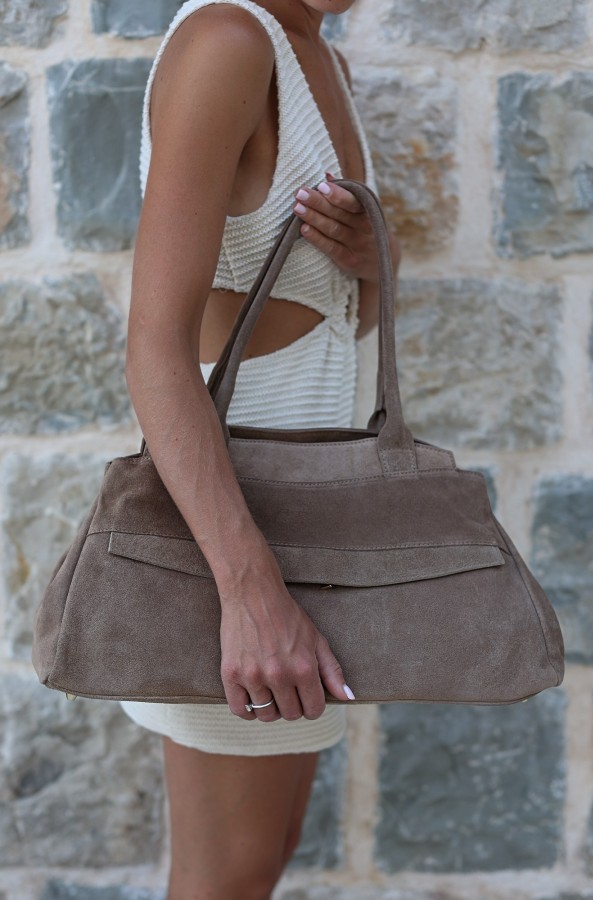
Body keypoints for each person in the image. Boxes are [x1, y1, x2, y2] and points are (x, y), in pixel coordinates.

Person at [120, 1, 401, 897]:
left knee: (264, 855)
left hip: (311, 520)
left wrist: (375, 263)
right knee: (226, 878)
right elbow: (155, 348)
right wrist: (248, 590)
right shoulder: (228, 42)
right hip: (235, 531)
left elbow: (328, 310)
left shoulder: (322, 57)